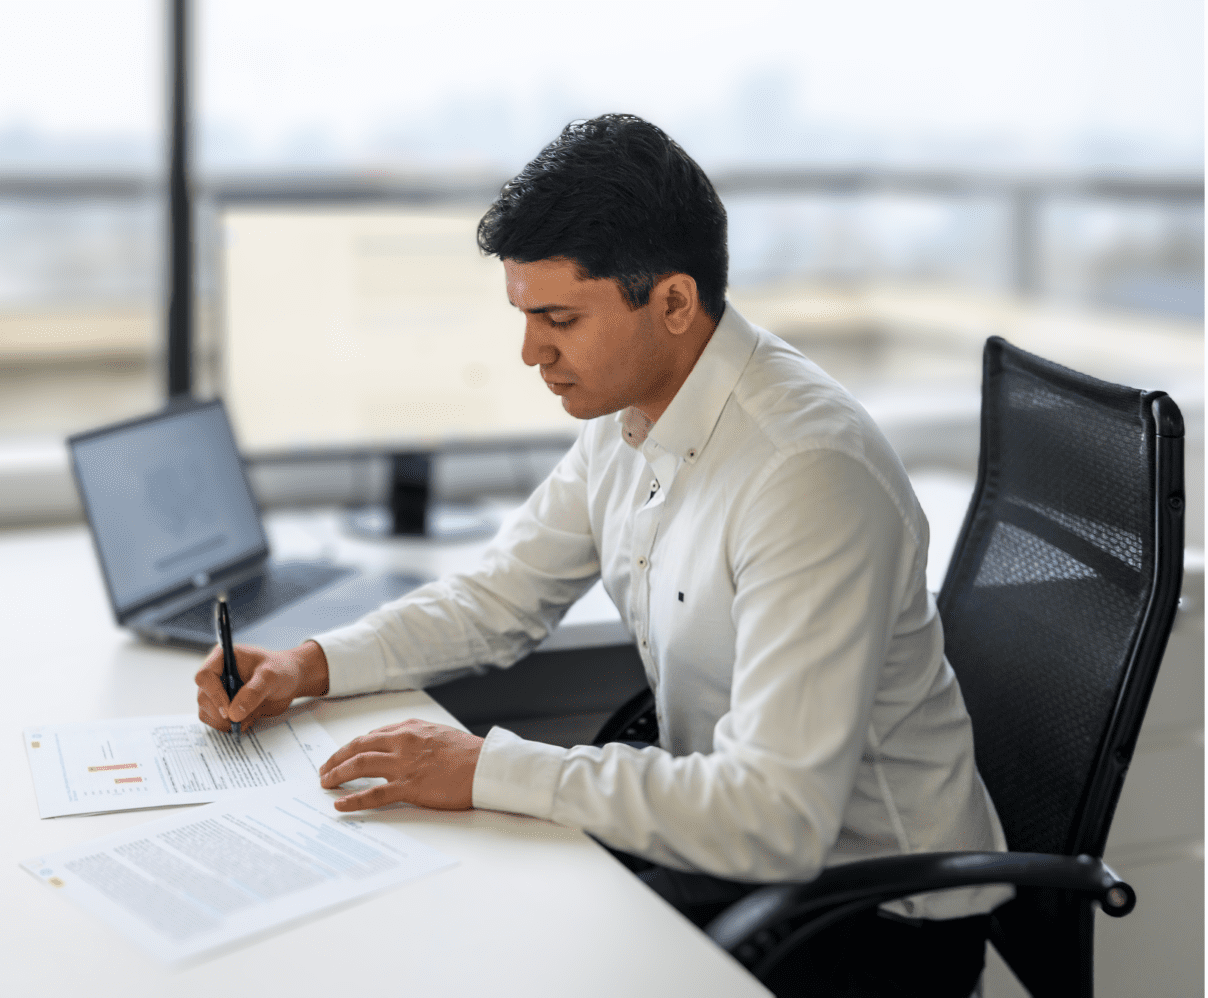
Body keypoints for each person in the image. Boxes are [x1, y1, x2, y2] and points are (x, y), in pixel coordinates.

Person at [196, 114, 1008, 996]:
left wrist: (485, 768)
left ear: (671, 303)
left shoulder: (806, 474)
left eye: (558, 319)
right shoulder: (630, 415)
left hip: (875, 915)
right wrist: (311, 663)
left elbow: (779, 820)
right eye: (523, 315)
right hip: (740, 853)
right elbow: (497, 598)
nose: (529, 353)